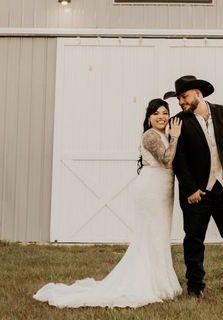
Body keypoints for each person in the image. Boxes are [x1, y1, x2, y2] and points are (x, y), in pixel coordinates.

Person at [33, 98, 183, 308]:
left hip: (164, 189)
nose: (162, 117)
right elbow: (167, 160)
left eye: (165, 113)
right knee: (149, 233)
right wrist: (175, 137)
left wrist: (171, 137)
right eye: (156, 113)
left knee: (159, 234)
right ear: (149, 117)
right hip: (150, 190)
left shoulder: (163, 135)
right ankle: (147, 282)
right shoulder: (150, 135)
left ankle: (161, 280)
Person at [169, 75, 223, 298]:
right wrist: (190, 189)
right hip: (197, 193)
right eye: (179, 98)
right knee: (194, 241)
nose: (181, 101)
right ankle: (195, 288)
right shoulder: (178, 121)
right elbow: (179, 159)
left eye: (184, 96)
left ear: (198, 93)